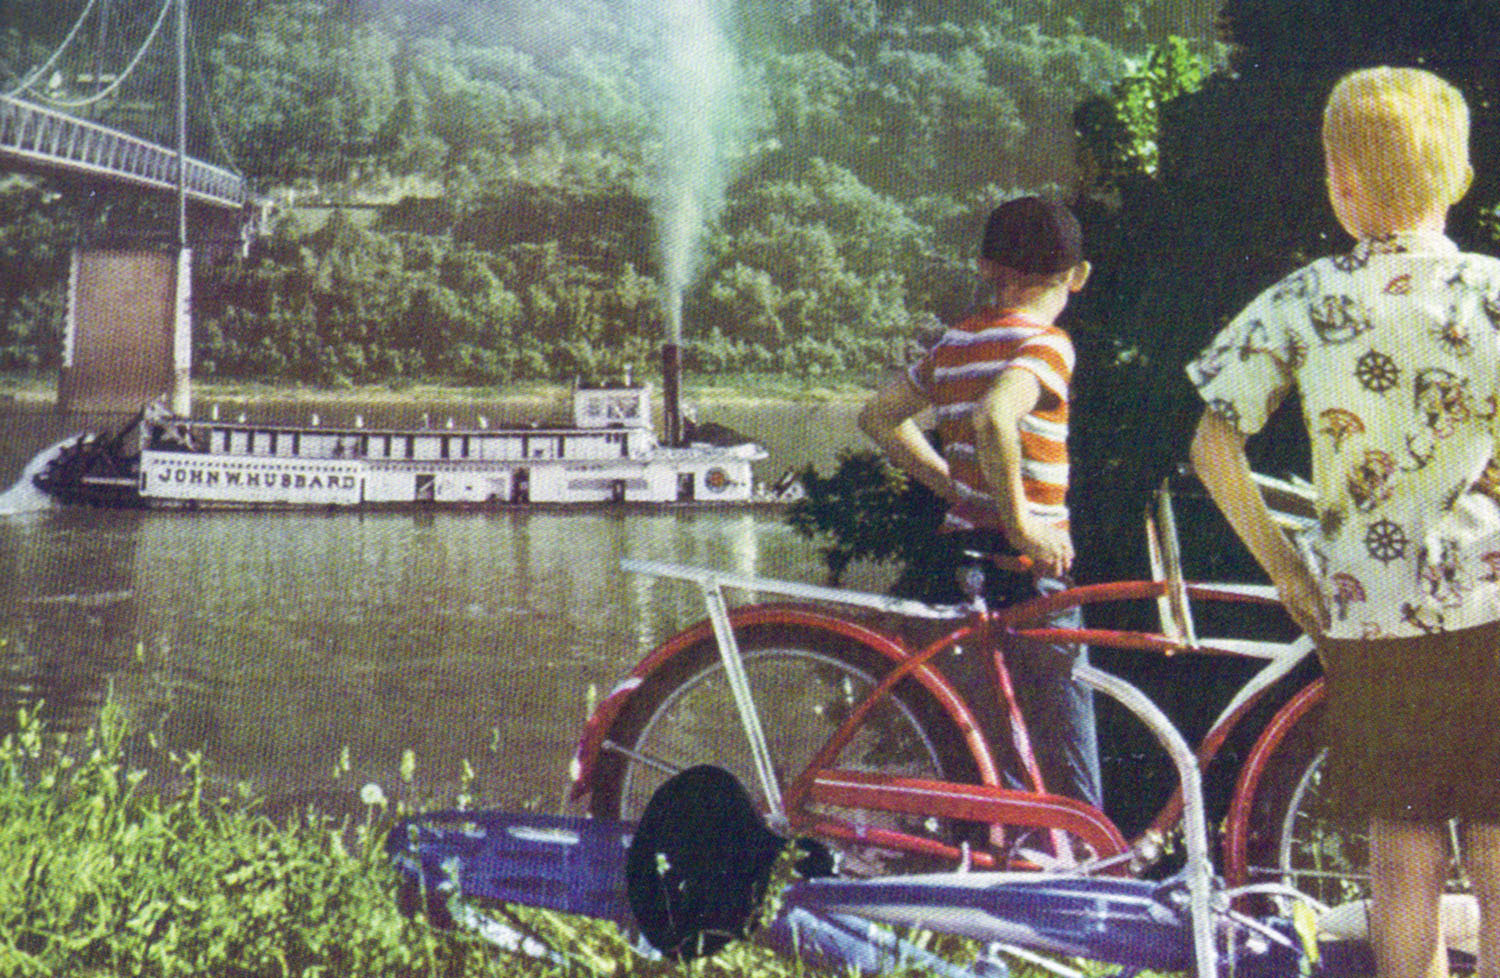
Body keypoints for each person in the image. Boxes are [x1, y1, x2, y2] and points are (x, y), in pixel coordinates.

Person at [1187, 66, 1500, 978]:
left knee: (1401, 852)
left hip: (1369, 614)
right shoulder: (1492, 291)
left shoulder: (1307, 301)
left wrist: (1287, 566)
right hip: (1494, 602)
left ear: (1340, 181)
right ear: (1463, 178)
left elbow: (1213, 447)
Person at [859, 195, 1101, 810]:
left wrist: (953, 486)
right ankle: (1091, 871)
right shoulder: (1047, 345)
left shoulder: (955, 344)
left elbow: (879, 417)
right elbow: (998, 416)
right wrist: (1023, 525)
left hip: (963, 563)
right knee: (1064, 741)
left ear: (988, 269)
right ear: (1077, 276)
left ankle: (1015, 859)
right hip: (1032, 568)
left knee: (995, 746)